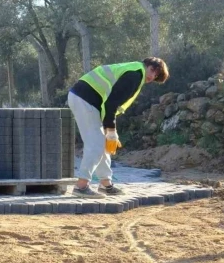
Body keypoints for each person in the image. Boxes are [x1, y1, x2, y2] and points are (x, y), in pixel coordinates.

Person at [68, 57, 169, 198]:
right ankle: (81, 187)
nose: (152, 76)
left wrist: (109, 130)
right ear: (146, 65)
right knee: (96, 144)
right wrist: (111, 130)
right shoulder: (135, 75)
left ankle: (105, 184)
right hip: (85, 100)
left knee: (101, 144)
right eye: (152, 70)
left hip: (85, 99)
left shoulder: (133, 70)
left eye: (156, 75)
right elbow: (111, 103)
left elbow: (109, 103)